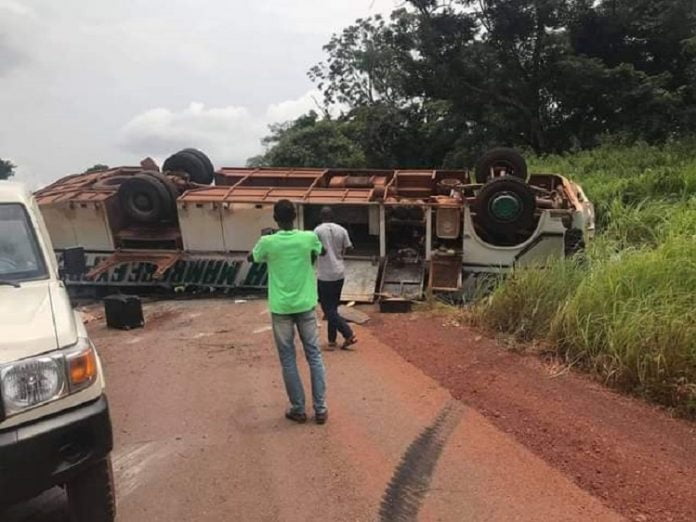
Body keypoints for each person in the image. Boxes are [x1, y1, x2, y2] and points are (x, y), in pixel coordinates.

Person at [249, 199, 328, 424]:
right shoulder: (308, 238)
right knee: (314, 355)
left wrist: (268, 239)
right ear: (295, 216)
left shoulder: (267, 241)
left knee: (288, 358)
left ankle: (298, 409)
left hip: (281, 308)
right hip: (306, 305)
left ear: (275, 218)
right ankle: (321, 409)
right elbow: (321, 253)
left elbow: (252, 258)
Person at [314, 206, 358, 350]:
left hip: (325, 274)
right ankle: (331, 340)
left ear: (321, 216)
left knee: (327, 309)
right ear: (333, 217)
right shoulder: (342, 230)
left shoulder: (317, 231)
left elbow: (316, 250)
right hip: (339, 273)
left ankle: (348, 333)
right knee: (333, 307)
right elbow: (350, 247)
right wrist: (338, 251)